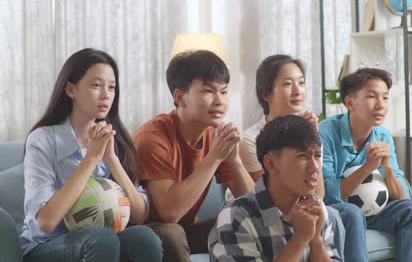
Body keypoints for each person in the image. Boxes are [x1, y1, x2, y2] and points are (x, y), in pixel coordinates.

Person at [20, 48, 163, 262]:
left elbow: (140, 216)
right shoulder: (42, 140)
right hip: (46, 246)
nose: (106, 95)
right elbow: (47, 221)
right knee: (102, 238)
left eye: (112, 87)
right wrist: (91, 159)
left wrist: (111, 160)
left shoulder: (115, 139)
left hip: (102, 241)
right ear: (71, 89)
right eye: (96, 85)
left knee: (144, 237)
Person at [133, 50, 255, 261]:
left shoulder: (214, 135)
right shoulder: (152, 137)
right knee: (172, 233)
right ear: (180, 97)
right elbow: (169, 214)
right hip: (141, 236)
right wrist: (214, 158)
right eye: (208, 91)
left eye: (224, 92)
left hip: (182, 231)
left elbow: (255, 206)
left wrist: (234, 161)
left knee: (243, 220)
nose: (220, 101)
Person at [238, 54, 363, 260]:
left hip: (299, 202)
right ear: (266, 93)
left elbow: (317, 194)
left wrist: (313, 139)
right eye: (288, 84)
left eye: (301, 83)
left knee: (340, 212)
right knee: (333, 214)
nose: (298, 90)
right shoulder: (251, 140)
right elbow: (271, 193)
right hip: (264, 212)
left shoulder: (309, 133)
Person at [319, 68, 412, 261]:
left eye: (385, 98)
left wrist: (387, 169)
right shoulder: (325, 133)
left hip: (374, 211)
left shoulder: (383, 135)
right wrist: (367, 168)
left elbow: (399, 195)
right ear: (349, 102)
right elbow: (328, 193)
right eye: (371, 97)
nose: (381, 105)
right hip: (338, 211)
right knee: (352, 212)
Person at [209, 115, 341, 261]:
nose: (315, 167)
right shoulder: (235, 217)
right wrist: (299, 240)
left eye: (317, 155)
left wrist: (316, 240)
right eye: (302, 156)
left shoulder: (314, 207)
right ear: (270, 164)